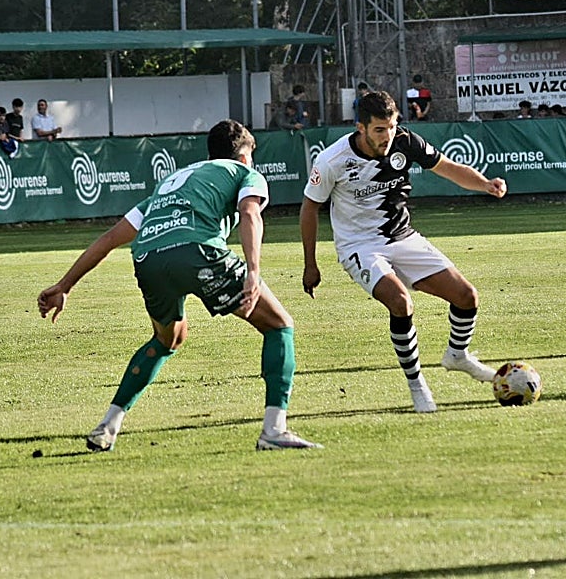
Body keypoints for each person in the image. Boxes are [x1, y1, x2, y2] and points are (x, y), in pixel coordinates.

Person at [37, 119, 321, 453]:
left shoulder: (172, 183)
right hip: (198, 252)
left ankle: (108, 425)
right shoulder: (245, 173)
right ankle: (274, 429)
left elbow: (111, 238)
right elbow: (249, 214)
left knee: (169, 337)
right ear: (245, 157)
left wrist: (65, 285)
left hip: (148, 259)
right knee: (279, 325)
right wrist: (253, 271)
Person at [299, 90, 508, 413]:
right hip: (359, 246)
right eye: (379, 130)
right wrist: (310, 264)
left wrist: (485, 184)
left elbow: (447, 167)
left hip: (403, 237)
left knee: (467, 296)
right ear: (361, 128)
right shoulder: (332, 160)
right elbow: (309, 208)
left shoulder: (406, 142)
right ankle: (417, 384)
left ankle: (457, 356)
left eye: (392, 127)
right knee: (400, 302)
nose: (388, 135)